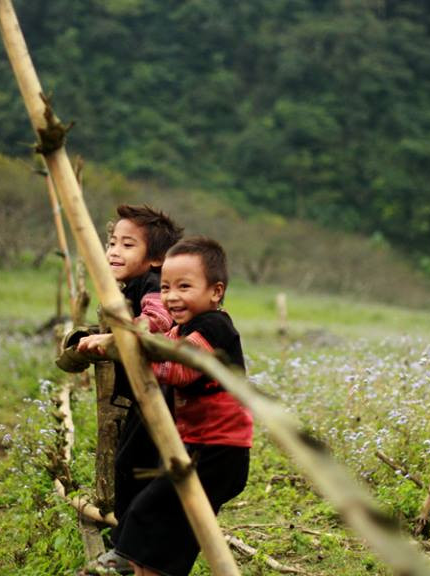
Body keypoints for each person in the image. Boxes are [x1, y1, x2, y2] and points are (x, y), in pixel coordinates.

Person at [114, 237, 253, 576]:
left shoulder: (215, 328)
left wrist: (131, 351)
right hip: (200, 447)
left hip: (218, 452)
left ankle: (131, 565)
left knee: (148, 512)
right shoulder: (187, 327)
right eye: (165, 287)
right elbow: (164, 344)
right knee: (174, 529)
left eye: (184, 287)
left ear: (215, 291)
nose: (172, 296)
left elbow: (177, 367)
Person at [76, 204, 183, 575]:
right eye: (111, 243)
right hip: (146, 395)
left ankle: (128, 550)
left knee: (134, 468)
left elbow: (158, 319)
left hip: (157, 398)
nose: (114, 251)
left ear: (155, 258)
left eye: (127, 245)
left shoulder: (153, 287)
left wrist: (114, 336)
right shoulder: (131, 286)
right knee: (134, 467)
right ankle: (132, 547)